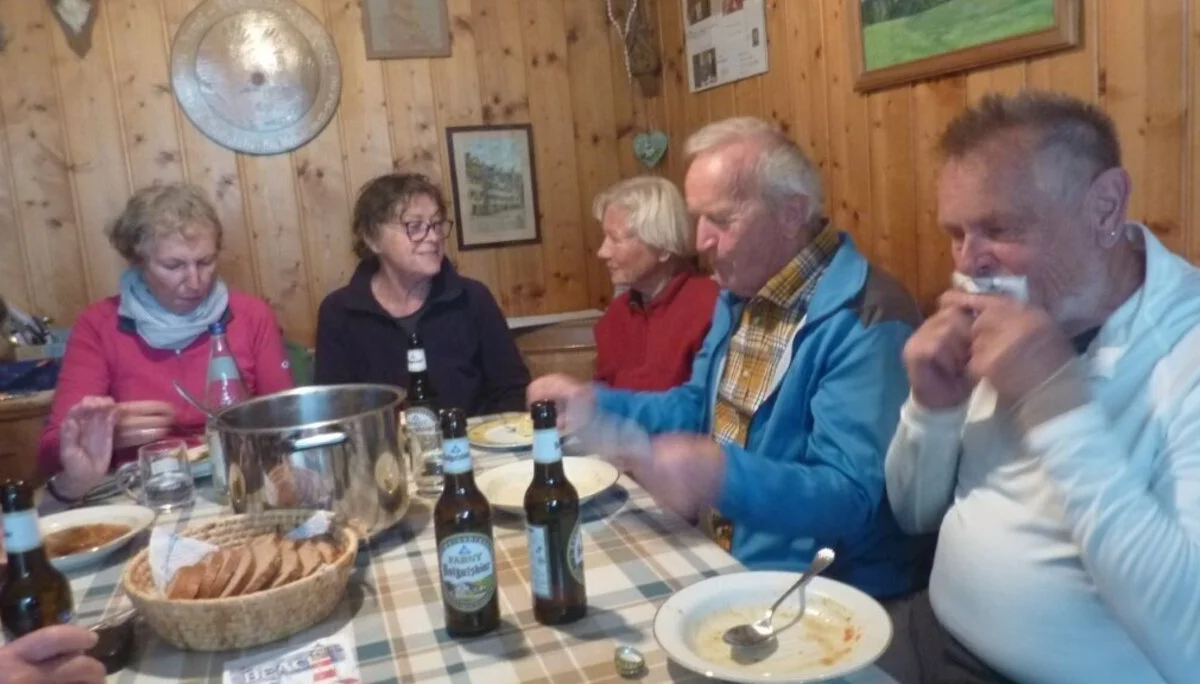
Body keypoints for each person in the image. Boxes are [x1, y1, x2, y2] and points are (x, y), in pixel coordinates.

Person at [529, 117, 924, 599]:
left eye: (721, 219)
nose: (699, 241)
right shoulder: (742, 292)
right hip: (718, 555)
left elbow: (850, 498)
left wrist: (717, 474)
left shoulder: (868, 317)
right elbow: (698, 405)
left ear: (791, 213)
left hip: (817, 592)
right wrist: (596, 402)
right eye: (698, 218)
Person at [882, 91, 1200, 683]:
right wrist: (932, 410)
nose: (970, 261)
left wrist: (1054, 400)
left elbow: (1191, 643)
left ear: (1105, 207)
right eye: (956, 233)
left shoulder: (1186, 347)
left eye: (998, 228)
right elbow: (914, 514)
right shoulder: (1009, 310)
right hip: (929, 638)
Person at [36, 183, 294, 503]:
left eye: (205, 262)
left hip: (237, 486)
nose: (196, 281)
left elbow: (288, 421)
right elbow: (49, 453)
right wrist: (104, 435)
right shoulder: (99, 325)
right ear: (138, 262)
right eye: (174, 266)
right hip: (140, 499)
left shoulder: (251, 315)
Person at [314, 173, 530, 415]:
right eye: (415, 226)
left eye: (437, 224)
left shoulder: (472, 299)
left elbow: (513, 391)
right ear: (372, 238)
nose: (434, 237)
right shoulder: (340, 312)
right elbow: (335, 411)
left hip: (473, 448)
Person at [592, 176, 719, 391]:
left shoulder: (710, 306)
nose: (602, 252)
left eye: (615, 239)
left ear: (662, 247)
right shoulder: (616, 314)